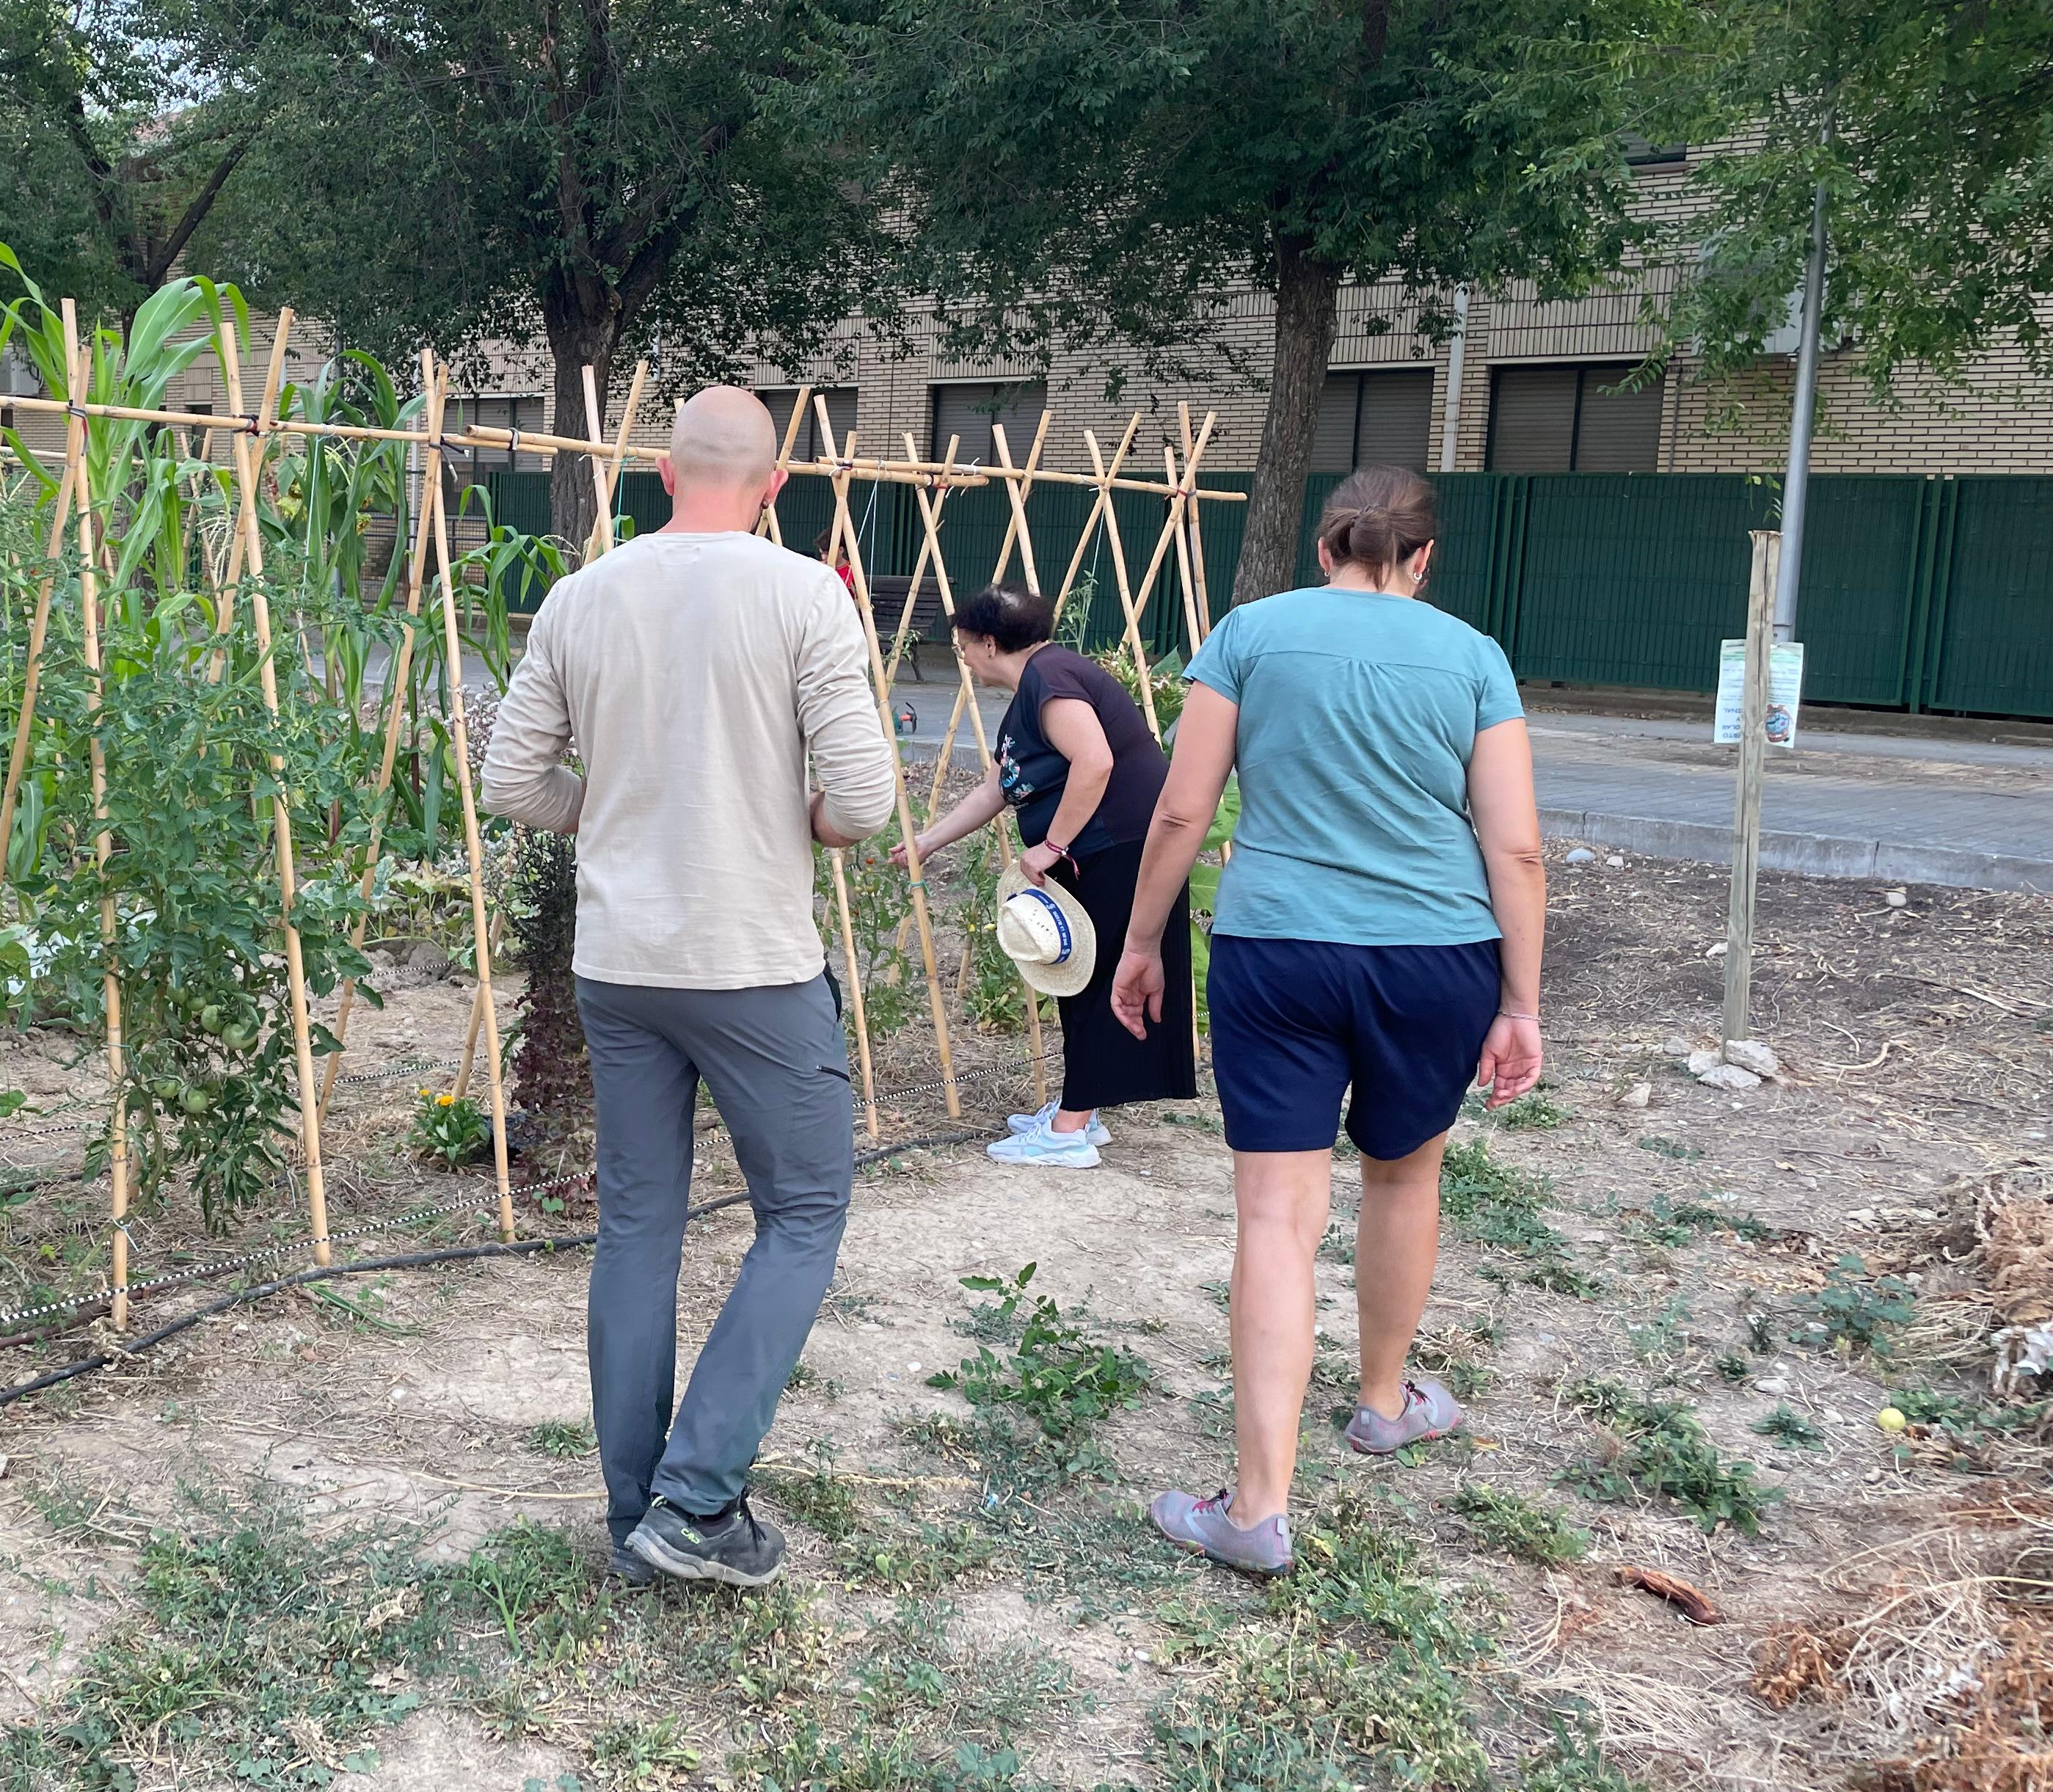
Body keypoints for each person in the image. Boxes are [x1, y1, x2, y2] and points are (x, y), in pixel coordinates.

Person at [484, 385, 894, 1590]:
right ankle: (697, 1493)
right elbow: (862, 803)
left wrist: (608, 816)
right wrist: (800, 816)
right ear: (774, 487)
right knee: (806, 1209)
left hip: (620, 966)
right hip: (753, 962)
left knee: (639, 1226)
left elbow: (515, 780)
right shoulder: (801, 594)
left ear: (663, 474)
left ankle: (632, 1514)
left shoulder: (580, 597)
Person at [1109, 466, 1546, 1576]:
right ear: (1423, 559)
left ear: (1326, 549)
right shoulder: (1476, 657)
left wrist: (1145, 939)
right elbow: (1518, 848)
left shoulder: (1251, 634)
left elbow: (1182, 805)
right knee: (1404, 1174)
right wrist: (1523, 1002)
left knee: (1274, 1218)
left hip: (1279, 952)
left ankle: (1256, 1510)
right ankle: (1386, 1403)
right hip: (1437, 960)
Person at [898, 587, 1195, 1166]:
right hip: (1111, 848)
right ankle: (1080, 1109)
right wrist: (928, 842)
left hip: (1120, 847)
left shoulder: (1051, 679)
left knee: (1097, 974)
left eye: (963, 648)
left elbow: (1096, 761)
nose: (964, 658)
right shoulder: (1042, 680)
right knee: (1083, 976)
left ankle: (1068, 1130)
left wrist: (1052, 844)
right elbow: (997, 786)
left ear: (989, 643)